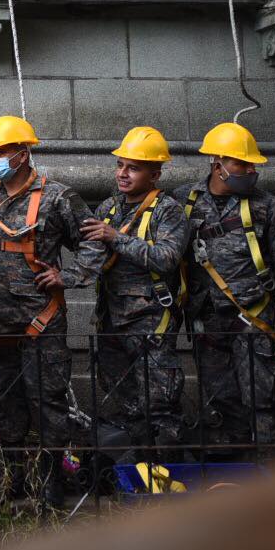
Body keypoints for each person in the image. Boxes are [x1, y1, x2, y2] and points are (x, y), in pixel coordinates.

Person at [0, 115, 95, 507]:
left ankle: (53, 482)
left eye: (2, 152)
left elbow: (94, 242)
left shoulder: (59, 197)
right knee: (7, 404)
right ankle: (14, 480)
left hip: (41, 323)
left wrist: (68, 276)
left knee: (48, 403)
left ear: (23, 154)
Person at [61, 127, 189, 467]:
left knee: (159, 404)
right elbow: (91, 257)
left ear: (155, 173)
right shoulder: (108, 207)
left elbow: (166, 257)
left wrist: (116, 237)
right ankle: (135, 476)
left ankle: (164, 479)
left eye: (133, 167)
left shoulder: (168, 210)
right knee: (125, 401)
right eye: (120, 165)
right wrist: (61, 278)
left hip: (150, 323)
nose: (122, 173)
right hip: (112, 322)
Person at [175, 122, 275, 458]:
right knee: (221, 398)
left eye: (252, 165)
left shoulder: (266, 206)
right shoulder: (183, 202)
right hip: (206, 320)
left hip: (254, 317)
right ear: (218, 165)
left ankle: (265, 475)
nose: (250, 171)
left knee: (262, 400)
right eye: (242, 164)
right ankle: (237, 477)